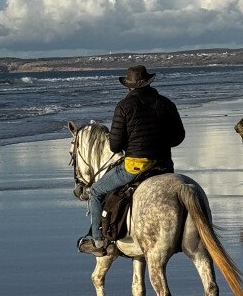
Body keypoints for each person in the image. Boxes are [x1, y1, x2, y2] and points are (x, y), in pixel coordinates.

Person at [78, 64, 186, 255]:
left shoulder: (124, 106)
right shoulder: (166, 103)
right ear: (147, 82)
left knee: (95, 191)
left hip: (136, 166)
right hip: (164, 165)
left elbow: (114, 146)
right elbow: (178, 137)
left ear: (129, 86)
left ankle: (98, 241)